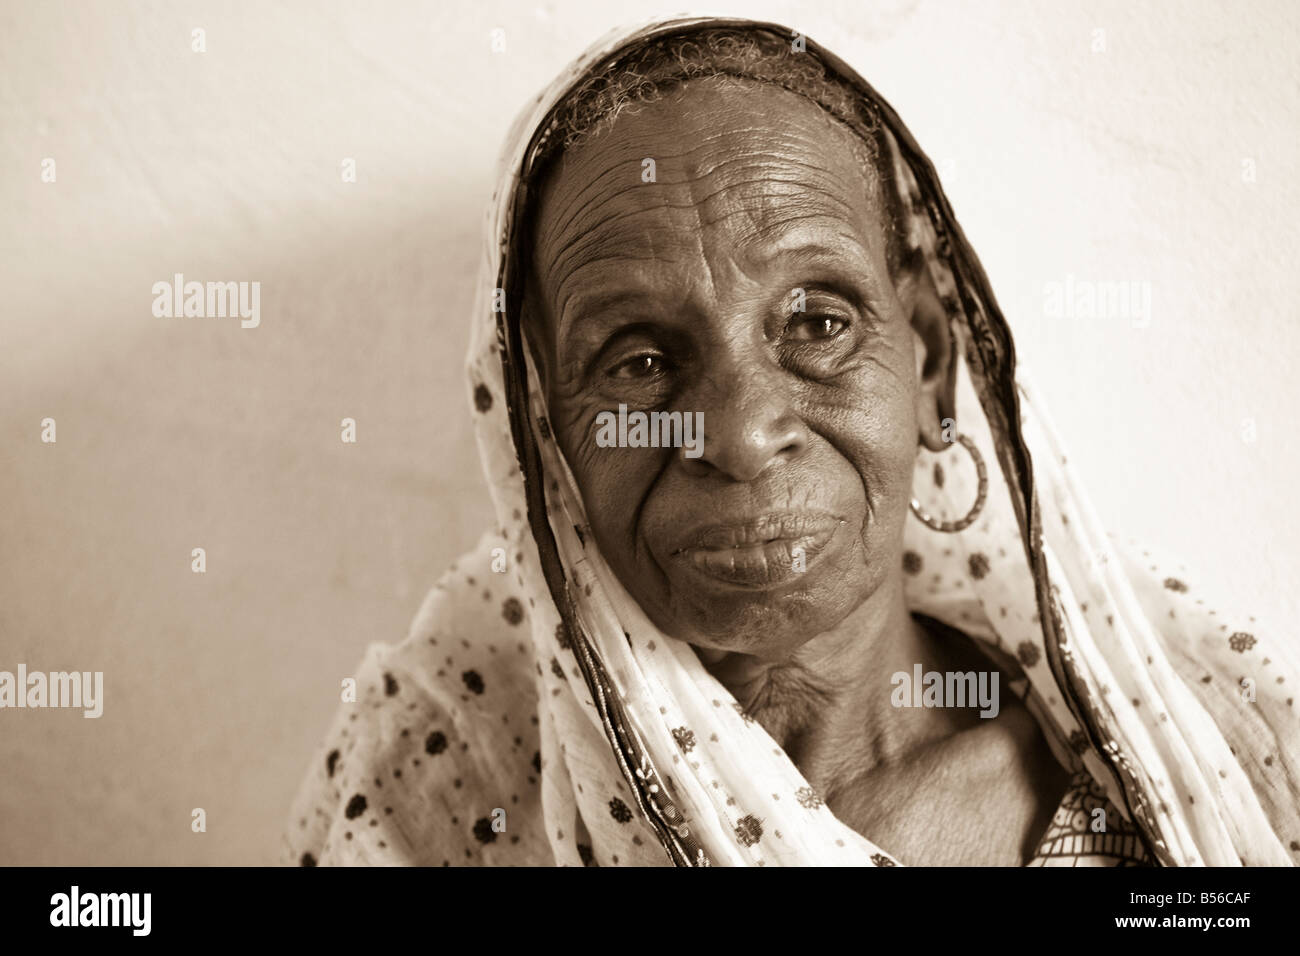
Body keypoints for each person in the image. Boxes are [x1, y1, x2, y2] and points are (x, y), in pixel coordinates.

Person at [284, 16, 1299, 867]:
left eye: (816, 323)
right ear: (541, 439)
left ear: (932, 365)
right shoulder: (442, 796)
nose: (739, 433)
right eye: (637, 361)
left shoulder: (1208, 762)